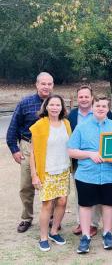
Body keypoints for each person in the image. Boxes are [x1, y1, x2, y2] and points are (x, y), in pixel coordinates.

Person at [68, 95, 112, 254]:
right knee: (85, 205)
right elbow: (71, 151)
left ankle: (107, 233)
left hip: (110, 174)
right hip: (86, 174)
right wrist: (90, 154)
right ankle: (85, 236)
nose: (100, 108)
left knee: (108, 204)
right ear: (92, 107)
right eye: (98, 105)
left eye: (104, 106)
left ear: (108, 109)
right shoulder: (81, 127)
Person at [6, 72, 54, 233]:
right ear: (37, 84)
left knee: (51, 183)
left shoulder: (55, 103)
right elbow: (12, 128)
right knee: (27, 185)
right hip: (28, 146)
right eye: (43, 83)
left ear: (52, 86)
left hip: (51, 148)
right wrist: (14, 149)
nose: (46, 87)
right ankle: (27, 217)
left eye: (49, 84)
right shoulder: (25, 103)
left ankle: (50, 217)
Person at [68, 85, 112, 237]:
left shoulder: (106, 114)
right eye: (81, 97)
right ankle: (82, 223)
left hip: (103, 163)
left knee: (101, 196)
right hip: (81, 162)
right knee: (82, 194)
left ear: (91, 98)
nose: (84, 99)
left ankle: (94, 223)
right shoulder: (72, 115)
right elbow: (71, 140)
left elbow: (110, 137)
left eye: (86, 96)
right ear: (77, 98)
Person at [29, 94, 72, 251]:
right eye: (52, 105)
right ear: (46, 107)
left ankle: (54, 231)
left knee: (62, 202)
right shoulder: (39, 126)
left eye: (58, 105)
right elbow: (32, 153)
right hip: (47, 171)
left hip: (63, 169)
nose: (55, 108)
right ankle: (43, 237)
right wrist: (34, 175)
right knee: (47, 205)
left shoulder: (66, 124)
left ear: (62, 108)